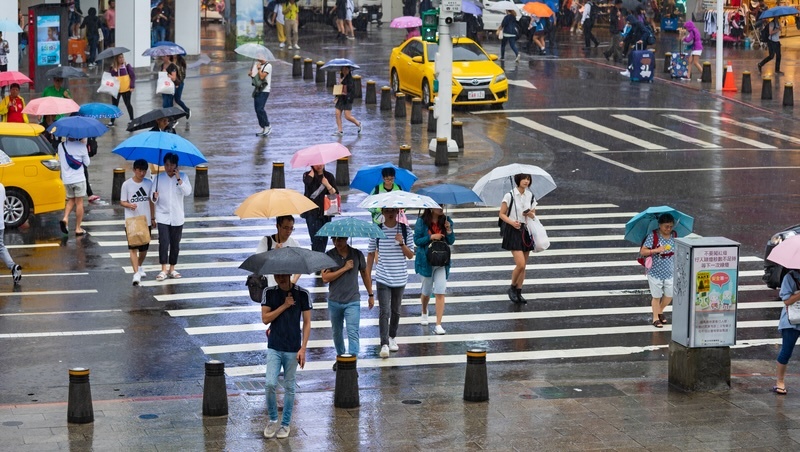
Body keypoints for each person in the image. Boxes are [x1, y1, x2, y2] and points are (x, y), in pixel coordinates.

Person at [260, 273, 311, 440]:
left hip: (292, 347)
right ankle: (273, 419)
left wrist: (303, 348)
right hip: (274, 346)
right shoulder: (269, 292)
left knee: (289, 387)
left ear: (289, 274)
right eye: (277, 275)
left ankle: (285, 423)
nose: (280, 278)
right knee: (270, 384)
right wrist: (284, 305)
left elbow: (307, 322)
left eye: (283, 275)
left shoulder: (302, 294)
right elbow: (265, 318)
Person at [368, 207, 415, 358]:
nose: (390, 213)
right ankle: (384, 343)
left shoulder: (405, 230)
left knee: (396, 310)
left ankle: (392, 336)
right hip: (382, 276)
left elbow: (410, 255)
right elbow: (370, 253)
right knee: (384, 311)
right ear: (382, 212)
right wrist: (367, 276)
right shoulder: (376, 230)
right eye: (387, 210)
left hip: (400, 277)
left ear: (397, 212)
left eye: (392, 210)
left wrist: (401, 243)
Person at [322, 237, 373, 369]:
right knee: (337, 332)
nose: (337, 242)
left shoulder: (357, 254)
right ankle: (340, 357)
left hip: (352, 300)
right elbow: (325, 278)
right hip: (334, 301)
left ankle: (352, 363)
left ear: (346, 238)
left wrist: (370, 294)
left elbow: (365, 274)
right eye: (334, 240)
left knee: (353, 332)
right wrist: (344, 268)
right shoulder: (329, 255)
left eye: (340, 239)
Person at [151, 152, 192, 281]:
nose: (169, 168)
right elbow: (152, 198)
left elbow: (188, 192)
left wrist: (179, 179)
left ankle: (172, 268)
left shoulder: (183, 177)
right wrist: (154, 197)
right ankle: (163, 269)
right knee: (163, 242)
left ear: (176, 165)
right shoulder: (158, 178)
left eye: (172, 165)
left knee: (175, 243)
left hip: (177, 216)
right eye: (167, 165)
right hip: (162, 215)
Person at [414, 208, 454, 335]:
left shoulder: (447, 220)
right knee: (426, 292)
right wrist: (431, 237)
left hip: (442, 261)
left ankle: (438, 324)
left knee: (440, 292)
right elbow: (417, 240)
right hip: (426, 261)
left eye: (442, 205)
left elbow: (451, 241)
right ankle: (424, 310)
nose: (441, 208)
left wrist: (449, 230)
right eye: (438, 205)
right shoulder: (421, 222)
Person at [498, 173, 536, 304]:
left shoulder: (530, 195)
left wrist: (530, 214)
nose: (526, 181)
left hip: (525, 230)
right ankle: (512, 287)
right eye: (524, 179)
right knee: (520, 264)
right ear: (518, 180)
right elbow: (501, 214)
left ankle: (519, 292)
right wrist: (512, 222)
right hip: (513, 230)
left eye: (528, 179)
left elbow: (534, 214)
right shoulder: (510, 195)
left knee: (524, 266)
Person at [120, 159, 155, 286]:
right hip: (132, 220)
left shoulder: (149, 183)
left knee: (144, 249)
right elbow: (122, 201)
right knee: (133, 248)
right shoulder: (126, 185)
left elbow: (151, 201)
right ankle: (136, 273)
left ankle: (139, 265)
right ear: (134, 170)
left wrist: (153, 217)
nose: (142, 173)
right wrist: (129, 205)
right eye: (140, 170)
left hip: (146, 220)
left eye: (144, 171)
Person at [639, 213, 676, 328]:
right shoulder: (653, 235)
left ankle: (659, 310)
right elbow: (643, 251)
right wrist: (656, 250)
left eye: (670, 226)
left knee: (670, 294)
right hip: (655, 271)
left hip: (670, 271)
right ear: (660, 225)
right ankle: (655, 318)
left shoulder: (674, 235)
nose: (668, 229)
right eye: (666, 226)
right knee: (656, 296)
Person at [772, 269, 800, 395]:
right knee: (786, 351)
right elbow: (787, 300)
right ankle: (780, 382)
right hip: (791, 321)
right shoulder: (790, 277)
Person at [57, 138, 90, 236]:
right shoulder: (81, 146)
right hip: (78, 179)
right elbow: (87, 163)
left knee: (71, 200)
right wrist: (83, 145)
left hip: (67, 180)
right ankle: (78, 228)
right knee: (79, 203)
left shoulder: (61, 146)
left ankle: (65, 218)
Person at [256, 215, 301, 287]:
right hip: (270, 287)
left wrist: (293, 283)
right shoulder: (266, 241)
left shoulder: (294, 243)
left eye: (291, 228)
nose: (289, 231)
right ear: (277, 226)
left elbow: (300, 266)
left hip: (288, 287)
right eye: (285, 228)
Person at [302, 164, 338, 253]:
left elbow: (335, 194)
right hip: (312, 213)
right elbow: (307, 184)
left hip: (325, 213)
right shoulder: (307, 175)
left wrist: (327, 184)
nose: (319, 165)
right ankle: (317, 258)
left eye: (321, 163)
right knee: (315, 240)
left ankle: (320, 258)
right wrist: (311, 175)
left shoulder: (329, 176)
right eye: (316, 163)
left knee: (323, 240)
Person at [0, 182, 22, 285]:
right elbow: (4, 205)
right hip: (0, 224)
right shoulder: (1, 186)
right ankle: (13, 267)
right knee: (1, 247)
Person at [332, 65, 362, 137]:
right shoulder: (342, 78)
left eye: (346, 69)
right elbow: (340, 89)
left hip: (347, 100)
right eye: (343, 69)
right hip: (340, 99)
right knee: (337, 114)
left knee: (347, 116)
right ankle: (340, 130)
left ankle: (358, 124)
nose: (344, 70)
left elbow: (349, 91)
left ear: (349, 70)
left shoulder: (350, 80)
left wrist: (343, 88)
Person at [109, 54, 135, 127]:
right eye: (120, 58)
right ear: (116, 59)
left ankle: (132, 119)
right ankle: (112, 121)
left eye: (122, 57)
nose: (121, 59)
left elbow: (132, 76)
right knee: (114, 105)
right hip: (116, 89)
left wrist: (132, 86)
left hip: (126, 88)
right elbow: (110, 76)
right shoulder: (113, 67)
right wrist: (114, 71)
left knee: (128, 104)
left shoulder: (127, 66)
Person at [250, 57, 272, 137]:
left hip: (264, 90)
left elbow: (262, 77)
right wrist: (251, 75)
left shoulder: (268, 66)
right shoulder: (257, 65)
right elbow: (256, 78)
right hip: (257, 90)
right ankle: (263, 127)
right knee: (257, 110)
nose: (258, 57)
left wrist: (259, 69)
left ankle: (267, 126)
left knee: (260, 109)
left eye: (260, 56)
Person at [172, 55, 190, 119]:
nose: (174, 55)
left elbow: (183, 74)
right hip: (171, 84)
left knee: (177, 99)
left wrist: (178, 82)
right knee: (171, 99)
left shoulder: (180, 62)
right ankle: (172, 115)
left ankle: (186, 109)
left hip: (179, 83)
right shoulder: (170, 61)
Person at [0, 32, 9, 98]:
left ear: (1, 35)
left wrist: (6, 48)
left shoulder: (5, 42)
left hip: (3, 61)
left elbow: (8, 51)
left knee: (4, 76)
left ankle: (3, 90)